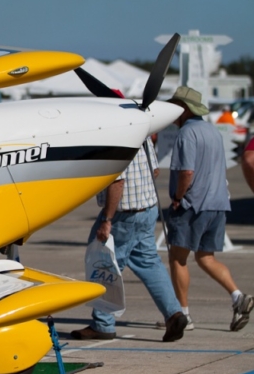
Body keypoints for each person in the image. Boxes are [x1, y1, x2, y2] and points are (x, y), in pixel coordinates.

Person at [71, 129, 187, 342]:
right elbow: (155, 171)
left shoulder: (112, 136)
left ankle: (103, 323)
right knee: (149, 262)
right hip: (147, 208)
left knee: (103, 262)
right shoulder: (141, 133)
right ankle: (174, 313)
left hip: (124, 214)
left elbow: (118, 182)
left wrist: (107, 218)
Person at [166, 86, 253, 332]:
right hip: (218, 202)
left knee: (177, 259)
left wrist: (177, 197)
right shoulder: (212, 132)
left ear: (184, 109)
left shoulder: (186, 134)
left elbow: (187, 172)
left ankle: (184, 315)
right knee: (206, 257)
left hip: (193, 204)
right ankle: (237, 295)